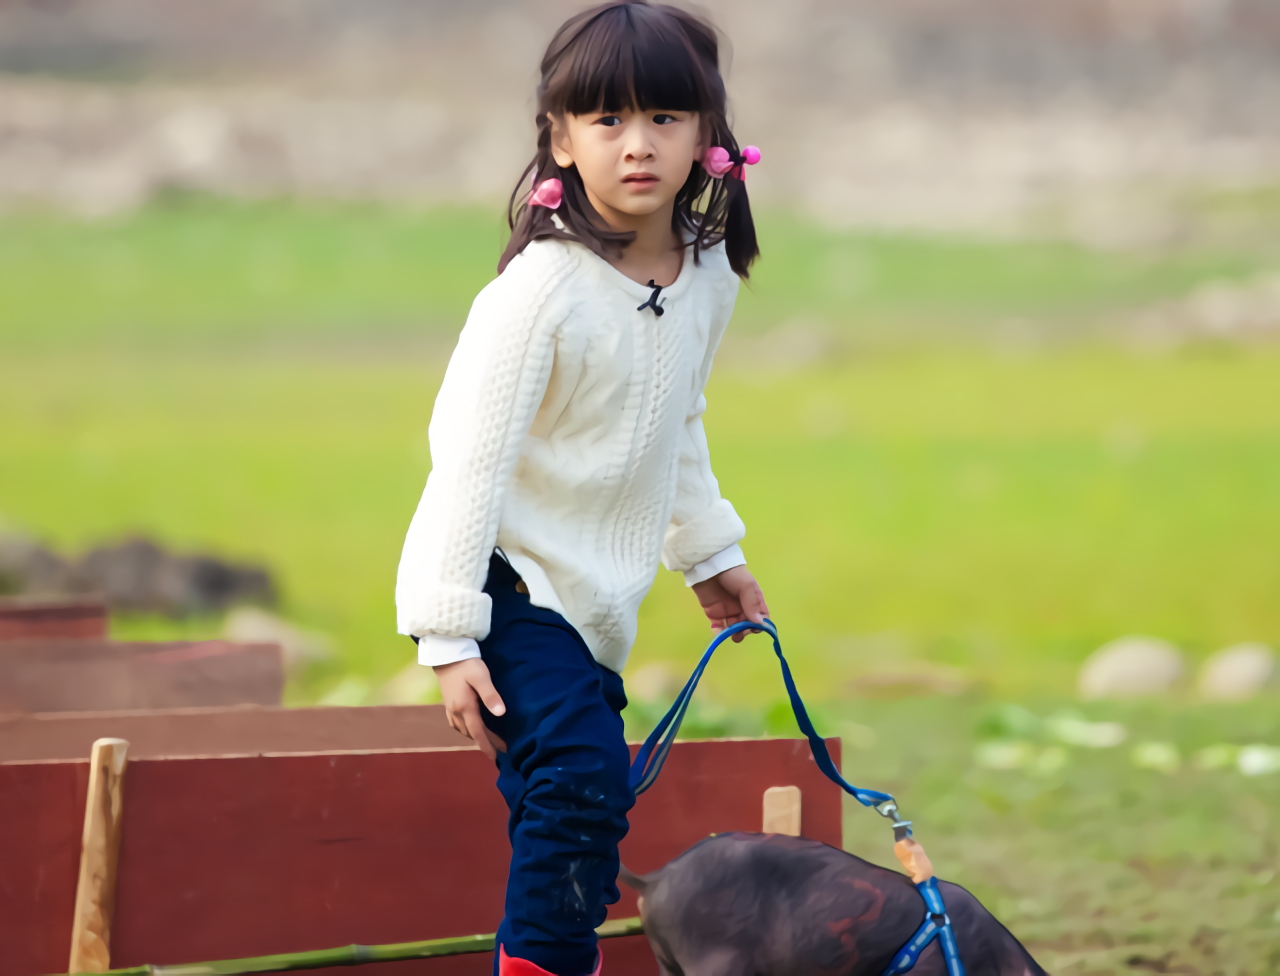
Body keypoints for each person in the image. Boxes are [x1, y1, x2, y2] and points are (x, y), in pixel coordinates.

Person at [395, 4, 768, 975]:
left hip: (598, 602)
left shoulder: (707, 278)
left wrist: (710, 554)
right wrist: (447, 634)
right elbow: (467, 461)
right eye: (607, 120)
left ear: (707, 134)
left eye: (663, 118)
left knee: (580, 816)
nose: (637, 144)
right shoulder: (540, 294)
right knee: (580, 779)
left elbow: (676, 421)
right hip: (507, 586)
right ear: (560, 138)